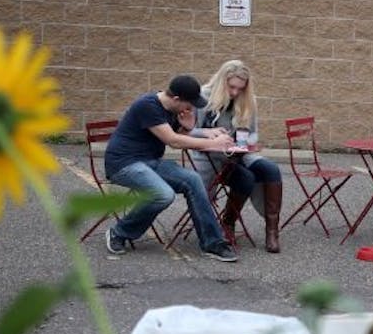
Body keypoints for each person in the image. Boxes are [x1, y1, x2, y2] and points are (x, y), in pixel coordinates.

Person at [103, 74, 239, 262]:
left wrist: (188, 127)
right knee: (163, 194)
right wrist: (214, 143)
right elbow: (172, 141)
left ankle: (212, 243)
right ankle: (119, 232)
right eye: (188, 104)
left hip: (150, 162)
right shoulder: (147, 105)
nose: (190, 108)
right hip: (124, 164)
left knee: (193, 179)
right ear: (176, 99)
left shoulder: (174, 110)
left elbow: (179, 135)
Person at [191, 60, 285, 253]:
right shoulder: (202, 96)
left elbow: (254, 133)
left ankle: (272, 232)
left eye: (240, 89)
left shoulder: (248, 99)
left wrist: (245, 141)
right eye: (231, 87)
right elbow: (188, 132)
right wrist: (211, 135)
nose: (235, 92)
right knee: (246, 178)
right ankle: (228, 224)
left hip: (238, 155)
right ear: (221, 81)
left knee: (271, 169)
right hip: (210, 157)